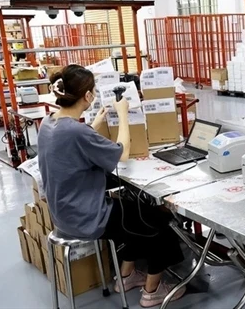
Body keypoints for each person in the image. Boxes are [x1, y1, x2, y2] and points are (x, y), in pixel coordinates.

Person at [38, 65, 186, 308]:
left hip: (64, 214)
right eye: (93, 91)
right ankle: (152, 292)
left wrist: (95, 124)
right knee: (157, 222)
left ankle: (126, 277)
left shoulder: (49, 123)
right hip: (88, 217)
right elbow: (123, 153)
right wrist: (123, 114)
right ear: (87, 96)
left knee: (134, 211)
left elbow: (73, 139)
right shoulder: (77, 132)